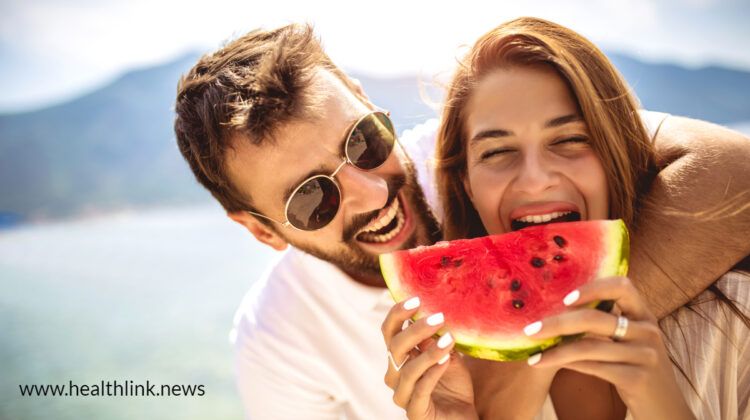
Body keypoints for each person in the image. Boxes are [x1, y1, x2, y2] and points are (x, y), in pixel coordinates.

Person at [172, 23, 750, 419]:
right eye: (311, 200)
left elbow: (734, 168)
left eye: (364, 139)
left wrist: (543, 340)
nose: (374, 193)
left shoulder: (475, 150)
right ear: (263, 231)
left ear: (367, 102)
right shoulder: (277, 343)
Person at [381, 17, 750, 419]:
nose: (535, 181)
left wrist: (663, 405)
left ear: (615, 157)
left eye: (570, 140)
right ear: (468, 185)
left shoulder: (735, 322)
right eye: (497, 151)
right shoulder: (453, 376)